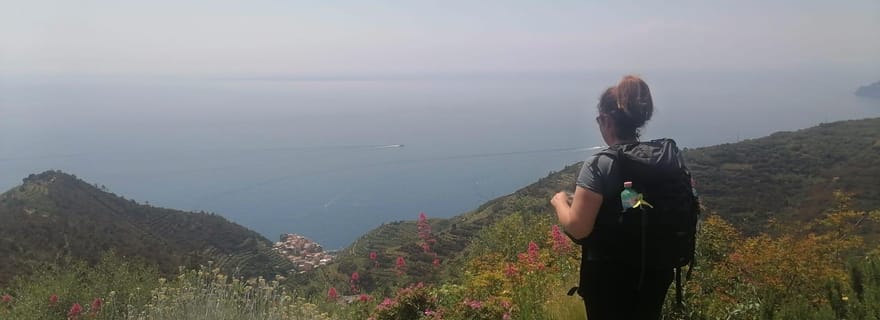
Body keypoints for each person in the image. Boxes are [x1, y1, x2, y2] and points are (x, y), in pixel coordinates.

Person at [551, 75, 692, 319]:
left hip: (610, 279)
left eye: (599, 120)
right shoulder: (663, 158)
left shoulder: (600, 164)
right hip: (656, 271)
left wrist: (560, 202)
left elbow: (578, 227)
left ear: (606, 120)